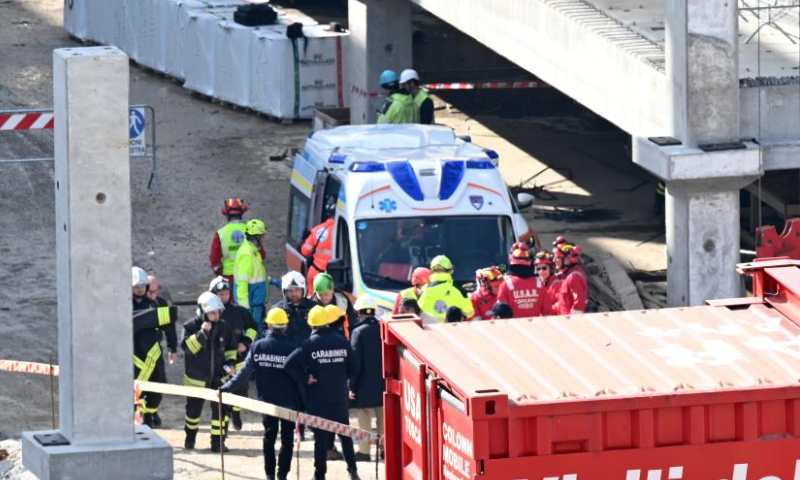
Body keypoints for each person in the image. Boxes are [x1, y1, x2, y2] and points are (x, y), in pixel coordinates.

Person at [221, 308, 300, 480]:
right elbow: (299, 378)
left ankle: (270, 474)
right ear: (285, 325)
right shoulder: (292, 347)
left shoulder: (258, 347)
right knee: (287, 441)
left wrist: (225, 388)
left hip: (267, 403)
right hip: (289, 403)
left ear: (269, 325)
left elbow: (243, 374)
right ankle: (282, 475)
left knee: (269, 438)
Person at [285, 306, 361, 480]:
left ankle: (319, 475)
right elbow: (354, 367)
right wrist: (341, 377)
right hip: (339, 398)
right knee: (345, 435)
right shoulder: (342, 341)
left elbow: (288, 364)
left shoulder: (309, 344)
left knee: (320, 439)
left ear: (311, 325)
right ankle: (353, 471)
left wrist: (305, 378)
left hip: (317, 399)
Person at [181, 291, 237, 452]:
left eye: (218, 311)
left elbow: (231, 349)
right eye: (212, 312)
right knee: (192, 413)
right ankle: (190, 439)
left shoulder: (224, 327)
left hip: (218, 378)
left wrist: (231, 363)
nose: (216, 314)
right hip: (196, 379)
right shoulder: (190, 326)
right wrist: (202, 334)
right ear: (203, 312)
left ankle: (217, 443)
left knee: (220, 413)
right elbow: (187, 349)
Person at [210, 275, 257, 431]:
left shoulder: (239, 312)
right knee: (220, 391)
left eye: (226, 293)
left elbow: (253, 327)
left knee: (241, 389)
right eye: (220, 294)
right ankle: (224, 420)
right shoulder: (210, 313)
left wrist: (245, 342)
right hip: (218, 360)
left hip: (238, 358)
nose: (224, 296)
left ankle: (236, 413)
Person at [132, 267, 177, 429]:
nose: (140, 289)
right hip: (133, 356)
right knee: (136, 390)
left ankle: (152, 413)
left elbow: (170, 326)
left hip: (154, 354)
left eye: (142, 286)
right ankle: (141, 420)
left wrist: (173, 348)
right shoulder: (123, 306)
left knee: (158, 386)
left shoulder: (155, 305)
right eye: (136, 286)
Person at [348, 295, 384, 462]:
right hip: (384, 384)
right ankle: (385, 449)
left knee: (364, 418)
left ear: (358, 312)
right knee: (384, 418)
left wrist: (351, 386)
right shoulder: (383, 329)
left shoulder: (357, 332)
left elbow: (355, 362)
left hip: (364, 384)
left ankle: (364, 451)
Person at [210, 198, 264, 283]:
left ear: (227, 215)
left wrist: (220, 275)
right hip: (249, 275)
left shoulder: (221, 233)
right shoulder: (251, 230)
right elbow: (261, 254)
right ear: (242, 213)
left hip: (229, 277)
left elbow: (215, 260)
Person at [495, 242, 550, 318]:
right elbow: (547, 311)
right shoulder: (539, 283)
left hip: (514, 328)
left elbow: (501, 312)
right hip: (536, 327)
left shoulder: (506, 284)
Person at [234, 219, 268, 333]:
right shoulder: (247, 254)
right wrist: (244, 309)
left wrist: (270, 281)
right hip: (251, 307)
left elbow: (256, 275)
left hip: (255, 305)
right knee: (251, 336)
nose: (264, 238)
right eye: (262, 235)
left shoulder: (252, 251)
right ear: (257, 236)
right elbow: (242, 283)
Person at [417, 255, 474, 323]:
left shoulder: (423, 291)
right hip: (452, 330)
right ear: (450, 271)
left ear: (432, 271)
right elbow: (469, 313)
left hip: (428, 331)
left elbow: (418, 315)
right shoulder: (457, 290)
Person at [274, 271, 316, 346]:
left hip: (309, 353)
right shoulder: (277, 310)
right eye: (290, 290)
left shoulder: (314, 308)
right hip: (286, 353)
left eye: (297, 290)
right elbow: (266, 330)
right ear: (285, 291)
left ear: (303, 290)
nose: (293, 293)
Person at [311, 273, 357, 340]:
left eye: (326, 294)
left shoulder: (344, 303)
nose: (324, 298)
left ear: (332, 290)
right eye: (320, 295)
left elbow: (353, 324)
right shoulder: (309, 306)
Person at [301, 208, 335, 295]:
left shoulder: (317, 230)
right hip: (333, 276)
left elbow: (305, 251)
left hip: (314, 272)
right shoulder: (343, 231)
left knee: (311, 300)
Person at [552, 242, 588, 315]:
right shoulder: (567, 275)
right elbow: (566, 301)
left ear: (568, 259)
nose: (554, 260)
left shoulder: (574, 277)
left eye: (557, 257)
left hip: (571, 323)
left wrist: (571, 322)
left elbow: (579, 305)